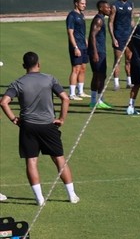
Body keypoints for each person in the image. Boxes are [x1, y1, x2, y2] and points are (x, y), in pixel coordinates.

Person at [1, 51, 80, 205]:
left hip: (28, 126)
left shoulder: (18, 83)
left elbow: (4, 102)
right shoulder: (49, 79)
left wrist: (13, 119)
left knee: (31, 161)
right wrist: (62, 119)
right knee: (59, 159)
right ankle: (72, 195)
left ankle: (39, 199)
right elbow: (65, 98)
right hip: (48, 125)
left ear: (24, 66)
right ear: (38, 64)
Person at [87, 0, 115, 110]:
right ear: (100, 8)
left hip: (98, 50)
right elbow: (92, 36)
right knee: (101, 76)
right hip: (98, 51)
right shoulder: (99, 20)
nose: (109, 9)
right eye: (107, 8)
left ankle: (94, 100)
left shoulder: (100, 18)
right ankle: (99, 100)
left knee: (97, 75)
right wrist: (95, 52)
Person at [111, 0, 134, 89]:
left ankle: (129, 81)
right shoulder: (115, 5)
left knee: (129, 59)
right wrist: (113, 37)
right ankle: (116, 83)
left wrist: (134, 31)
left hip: (128, 36)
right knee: (118, 60)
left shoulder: (130, 4)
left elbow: (132, 19)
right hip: (119, 36)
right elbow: (110, 22)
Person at [65, 0, 88, 99]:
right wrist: (75, 47)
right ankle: (72, 93)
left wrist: (86, 41)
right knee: (76, 69)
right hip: (77, 46)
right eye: (82, 3)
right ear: (76, 3)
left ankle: (81, 91)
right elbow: (70, 33)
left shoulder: (82, 15)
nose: (84, 5)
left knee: (83, 68)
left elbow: (82, 32)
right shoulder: (71, 16)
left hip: (83, 45)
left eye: (85, 4)